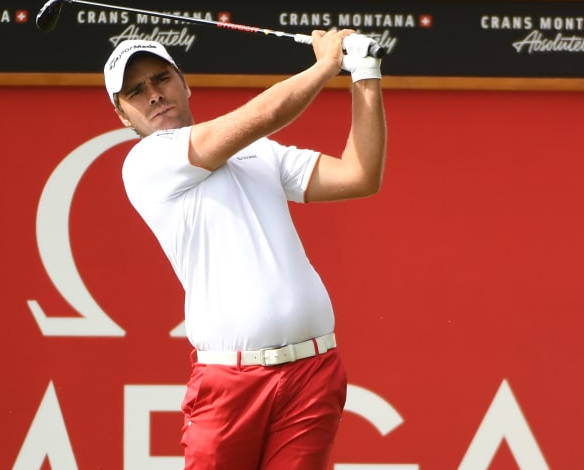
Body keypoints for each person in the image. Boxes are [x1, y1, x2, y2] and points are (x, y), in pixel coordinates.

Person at [103, 29, 386, 470]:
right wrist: (326, 65)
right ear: (123, 115)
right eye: (136, 91)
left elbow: (359, 174)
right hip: (228, 381)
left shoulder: (259, 154)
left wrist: (365, 74)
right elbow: (266, 112)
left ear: (185, 83)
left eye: (161, 79)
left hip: (313, 373)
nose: (154, 95)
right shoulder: (145, 164)